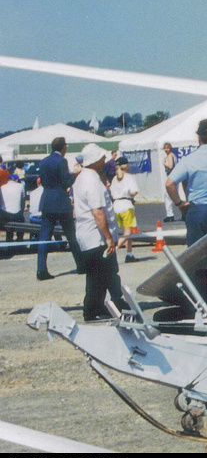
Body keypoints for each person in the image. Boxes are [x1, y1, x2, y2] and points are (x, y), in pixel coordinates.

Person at [73, 143, 128, 321]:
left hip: (87, 235)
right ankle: (92, 311)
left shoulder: (83, 177)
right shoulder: (92, 181)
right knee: (98, 278)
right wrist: (108, 238)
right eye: (102, 158)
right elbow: (98, 212)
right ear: (96, 160)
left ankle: (115, 304)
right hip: (96, 237)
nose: (105, 160)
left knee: (105, 274)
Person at [36, 137, 83, 280]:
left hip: (47, 201)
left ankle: (41, 269)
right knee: (71, 235)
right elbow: (66, 182)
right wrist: (75, 174)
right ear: (63, 147)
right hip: (61, 203)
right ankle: (81, 265)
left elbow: (43, 181)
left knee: (44, 237)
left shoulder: (43, 161)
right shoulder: (62, 161)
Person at [109, 157, 140, 263]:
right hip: (126, 205)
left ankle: (129, 254)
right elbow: (134, 192)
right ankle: (113, 249)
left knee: (127, 231)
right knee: (128, 232)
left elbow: (112, 193)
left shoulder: (114, 178)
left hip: (116, 206)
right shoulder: (129, 177)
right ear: (126, 166)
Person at [162, 143, 178, 221]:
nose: (166, 150)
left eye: (167, 148)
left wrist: (164, 163)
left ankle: (170, 215)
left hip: (171, 177)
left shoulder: (169, 156)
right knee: (175, 195)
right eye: (165, 148)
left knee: (167, 195)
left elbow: (171, 166)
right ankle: (183, 213)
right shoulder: (173, 155)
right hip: (175, 177)